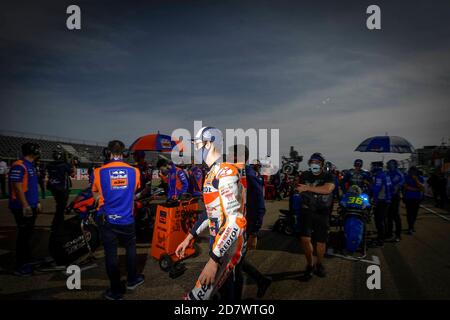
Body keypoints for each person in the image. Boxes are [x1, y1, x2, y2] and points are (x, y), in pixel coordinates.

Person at [175, 127, 246, 300]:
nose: (196, 150)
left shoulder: (225, 172)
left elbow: (236, 220)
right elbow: (209, 213)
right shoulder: (211, 173)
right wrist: (188, 237)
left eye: (198, 145)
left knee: (195, 299)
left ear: (209, 144)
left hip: (226, 247)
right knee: (224, 291)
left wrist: (214, 260)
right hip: (218, 243)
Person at [92, 140, 145, 300]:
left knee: (111, 254)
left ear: (109, 152)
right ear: (124, 153)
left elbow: (95, 193)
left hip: (108, 219)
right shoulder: (134, 171)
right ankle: (132, 280)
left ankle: (115, 291)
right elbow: (134, 189)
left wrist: (100, 197)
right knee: (130, 249)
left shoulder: (98, 172)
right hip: (127, 218)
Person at [231, 145, 272, 299]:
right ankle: (262, 280)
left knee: (236, 265)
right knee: (236, 261)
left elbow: (260, 206)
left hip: (245, 227)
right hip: (233, 225)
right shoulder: (234, 173)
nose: (230, 159)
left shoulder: (249, 175)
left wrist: (254, 232)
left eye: (233, 156)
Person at [296, 153, 335, 281]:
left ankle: (320, 264)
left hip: (322, 212)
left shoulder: (328, 176)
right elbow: (299, 189)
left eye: (318, 162)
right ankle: (310, 265)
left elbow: (327, 189)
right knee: (305, 239)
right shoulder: (304, 175)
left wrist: (308, 188)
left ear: (322, 164)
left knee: (320, 242)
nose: (315, 164)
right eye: (312, 162)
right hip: (306, 211)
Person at [8, 143, 42, 276]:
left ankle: (27, 259)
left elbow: (32, 187)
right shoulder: (19, 165)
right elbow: (17, 186)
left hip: (31, 205)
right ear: (32, 151)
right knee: (23, 236)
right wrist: (25, 205)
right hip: (22, 206)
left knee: (28, 235)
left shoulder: (31, 166)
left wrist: (37, 202)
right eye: (37, 149)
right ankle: (20, 266)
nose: (39, 151)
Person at [46, 150, 75, 232]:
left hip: (53, 188)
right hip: (62, 188)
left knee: (59, 206)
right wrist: (72, 164)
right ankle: (57, 225)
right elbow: (73, 174)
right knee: (61, 208)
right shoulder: (65, 165)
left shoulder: (49, 165)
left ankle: (58, 224)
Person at [370, 161, 393, 247]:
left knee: (379, 221)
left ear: (376, 167)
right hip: (387, 200)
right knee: (383, 220)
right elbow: (391, 187)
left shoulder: (379, 176)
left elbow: (376, 189)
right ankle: (383, 237)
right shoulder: (386, 175)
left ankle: (380, 240)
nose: (372, 168)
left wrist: (373, 199)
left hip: (381, 200)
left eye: (373, 166)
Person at [386, 159, 404, 242]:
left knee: (395, 216)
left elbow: (398, 185)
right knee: (389, 216)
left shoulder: (398, 174)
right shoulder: (387, 173)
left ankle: (398, 235)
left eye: (390, 164)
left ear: (394, 165)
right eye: (388, 164)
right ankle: (389, 233)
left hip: (394, 197)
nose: (388, 165)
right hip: (388, 196)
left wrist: (395, 187)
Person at [403, 166, 425, 235]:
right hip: (408, 198)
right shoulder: (406, 177)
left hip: (417, 198)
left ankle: (412, 226)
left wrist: (416, 180)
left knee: (415, 213)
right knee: (409, 213)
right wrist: (417, 189)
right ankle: (410, 227)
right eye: (411, 171)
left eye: (414, 171)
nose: (412, 172)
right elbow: (406, 187)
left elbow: (422, 187)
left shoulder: (420, 178)